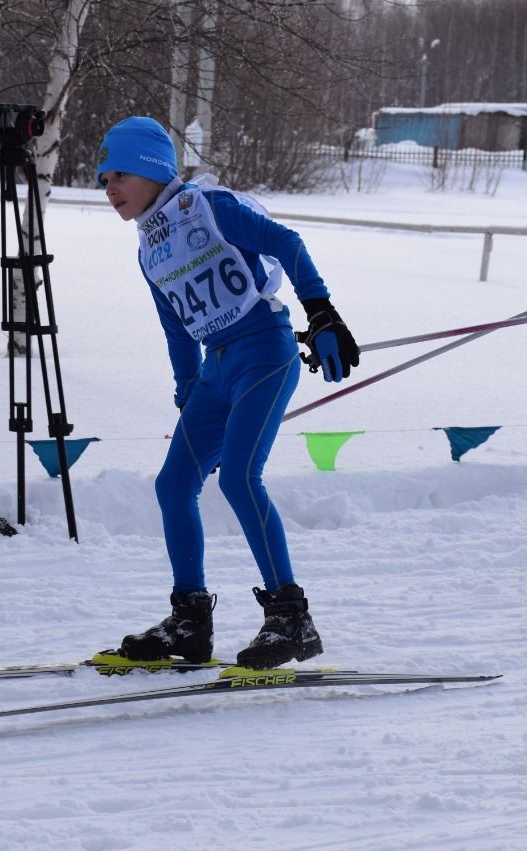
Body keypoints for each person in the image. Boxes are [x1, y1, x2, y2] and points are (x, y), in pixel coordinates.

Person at [97, 116, 359, 670]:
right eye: (103, 178)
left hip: (264, 353)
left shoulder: (205, 207)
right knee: (173, 485)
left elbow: (284, 242)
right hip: (215, 371)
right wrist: (188, 388)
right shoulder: (148, 249)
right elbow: (176, 327)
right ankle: (191, 619)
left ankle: (291, 618)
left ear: (150, 170)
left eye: (119, 172)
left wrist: (323, 312)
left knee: (241, 477)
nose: (109, 187)